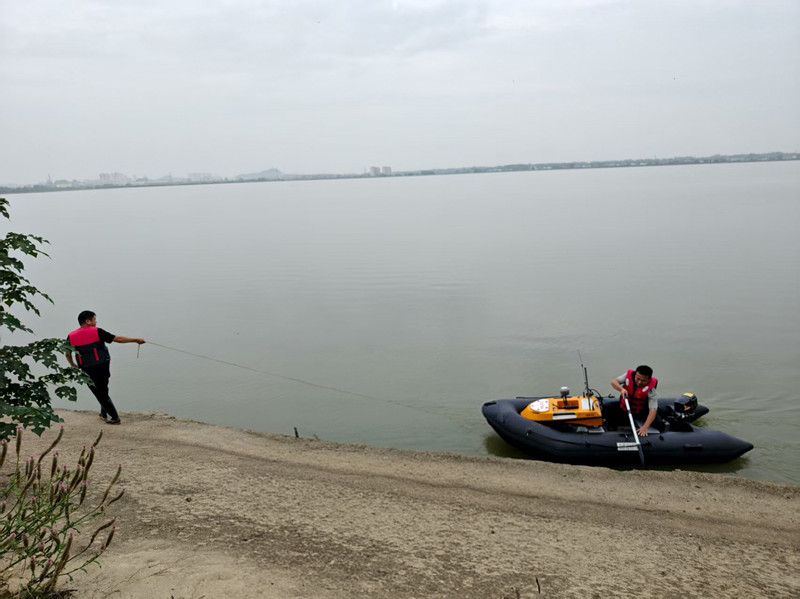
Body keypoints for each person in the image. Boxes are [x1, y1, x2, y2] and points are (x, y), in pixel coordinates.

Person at [65, 310, 145, 425]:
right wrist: (136, 340)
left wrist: (73, 365)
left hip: (86, 367)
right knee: (102, 389)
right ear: (88, 321)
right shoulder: (97, 331)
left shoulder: (71, 336)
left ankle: (110, 415)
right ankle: (110, 416)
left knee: (99, 391)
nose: (95, 322)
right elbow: (118, 339)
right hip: (103, 364)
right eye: (94, 320)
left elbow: (67, 354)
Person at [609, 365, 660, 437]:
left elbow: (653, 410)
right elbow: (614, 382)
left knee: (659, 424)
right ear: (635, 374)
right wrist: (621, 389)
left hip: (641, 413)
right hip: (625, 409)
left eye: (643, 380)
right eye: (638, 379)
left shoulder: (651, 390)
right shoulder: (628, 375)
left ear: (649, 380)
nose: (639, 382)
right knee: (611, 417)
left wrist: (645, 427)